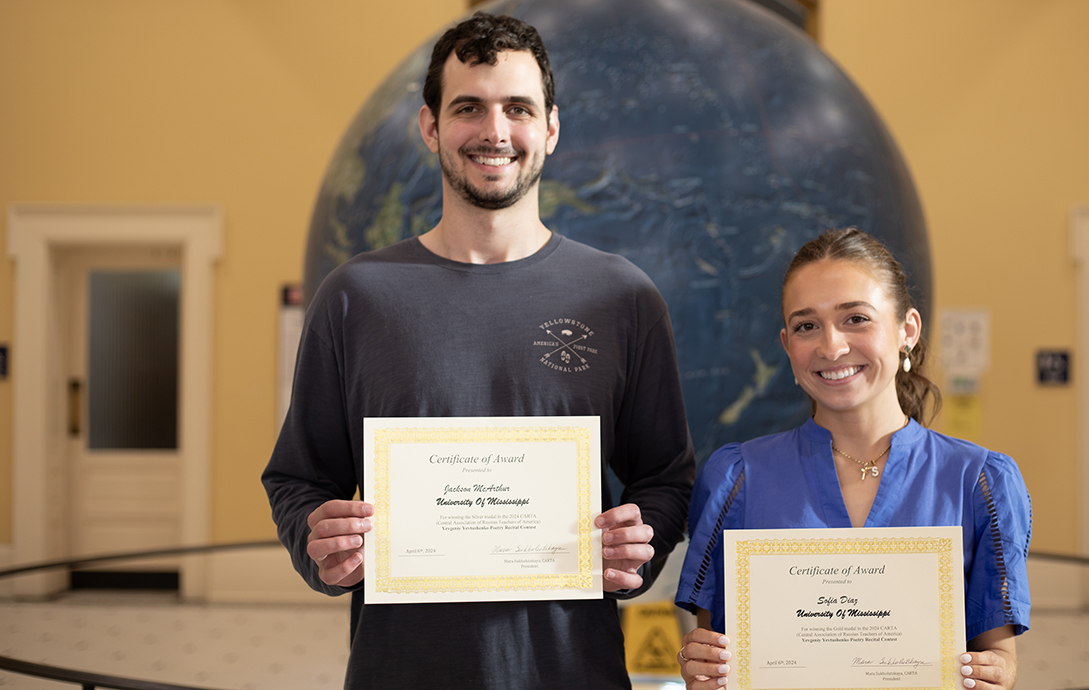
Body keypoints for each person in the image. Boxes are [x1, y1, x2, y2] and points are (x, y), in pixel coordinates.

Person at [262, 13, 694, 690]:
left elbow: (667, 477)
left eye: (517, 109)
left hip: (572, 672)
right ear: (431, 128)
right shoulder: (355, 298)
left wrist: (639, 543)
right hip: (398, 674)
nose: (495, 131)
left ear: (550, 128)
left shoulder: (622, 299)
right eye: (469, 108)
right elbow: (296, 480)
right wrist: (317, 539)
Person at [674, 228, 1030, 690]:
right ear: (787, 346)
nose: (831, 347)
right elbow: (712, 646)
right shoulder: (736, 479)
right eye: (806, 326)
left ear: (908, 330)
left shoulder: (979, 482)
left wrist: (997, 674)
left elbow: (998, 654)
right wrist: (700, 666)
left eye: (856, 318)